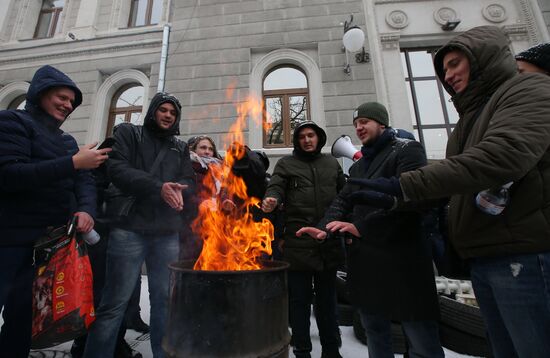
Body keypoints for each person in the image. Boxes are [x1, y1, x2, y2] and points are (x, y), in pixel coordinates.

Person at [350, 26, 550, 357]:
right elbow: (454, 189)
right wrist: (393, 198)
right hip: (488, 257)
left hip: (525, 257)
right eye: (444, 69)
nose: (448, 74)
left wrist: (402, 184)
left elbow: (501, 156)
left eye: (455, 63)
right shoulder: (470, 119)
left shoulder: (530, 87)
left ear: (482, 58)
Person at [297, 102, 443, 358]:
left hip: (403, 259)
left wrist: (361, 227)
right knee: (375, 330)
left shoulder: (407, 150)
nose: (359, 128)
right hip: (368, 263)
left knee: (419, 335)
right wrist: (324, 229)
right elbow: (343, 200)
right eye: (356, 124)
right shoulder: (359, 165)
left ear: (381, 123)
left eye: (364, 121)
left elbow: (410, 200)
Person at [0, 65, 110, 357]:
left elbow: (84, 181)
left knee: (23, 318)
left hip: (46, 246)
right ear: (40, 93)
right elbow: (11, 175)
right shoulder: (12, 122)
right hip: (8, 240)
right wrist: (74, 162)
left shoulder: (66, 141)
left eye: (71, 101)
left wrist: (86, 210)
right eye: (61, 97)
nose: (67, 105)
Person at [83, 92, 195, 358]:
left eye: (173, 112)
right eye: (163, 110)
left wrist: (182, 189)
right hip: (129, 229)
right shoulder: (128, 133)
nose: (168, 115)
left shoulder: (180, 147)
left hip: (167, 233)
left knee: (165, 302)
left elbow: (189, 179)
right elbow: (117, 169)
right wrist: (159, 188)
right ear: (153, 111)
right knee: (114, 304)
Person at [262, 121, 345, 358]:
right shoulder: (287, 164)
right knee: (299, 302)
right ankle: (302, 349)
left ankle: (331, 350)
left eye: (311, 136)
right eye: (302, 137)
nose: (307, 140)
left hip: (327, 242)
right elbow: (276, 187)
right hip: (298, 243)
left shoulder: (331, 163)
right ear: (297, 141)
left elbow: (343, 195)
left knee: (328, 302)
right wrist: (271, 199)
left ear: (319, 138)